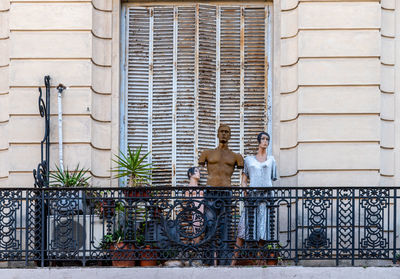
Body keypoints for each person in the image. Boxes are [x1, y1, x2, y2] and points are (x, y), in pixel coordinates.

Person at [231, 132, 277, 266]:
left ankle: (260, 262)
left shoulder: (271, 160)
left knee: (264, 229)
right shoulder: (249, 160)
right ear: (258, 141)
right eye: (263, 139)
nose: (265, 141)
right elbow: (244, 180)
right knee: (243, 228)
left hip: (266, 199)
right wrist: (245, 193)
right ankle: (233, 262)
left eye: (267, 139)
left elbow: (271, 179)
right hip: (252, 199)